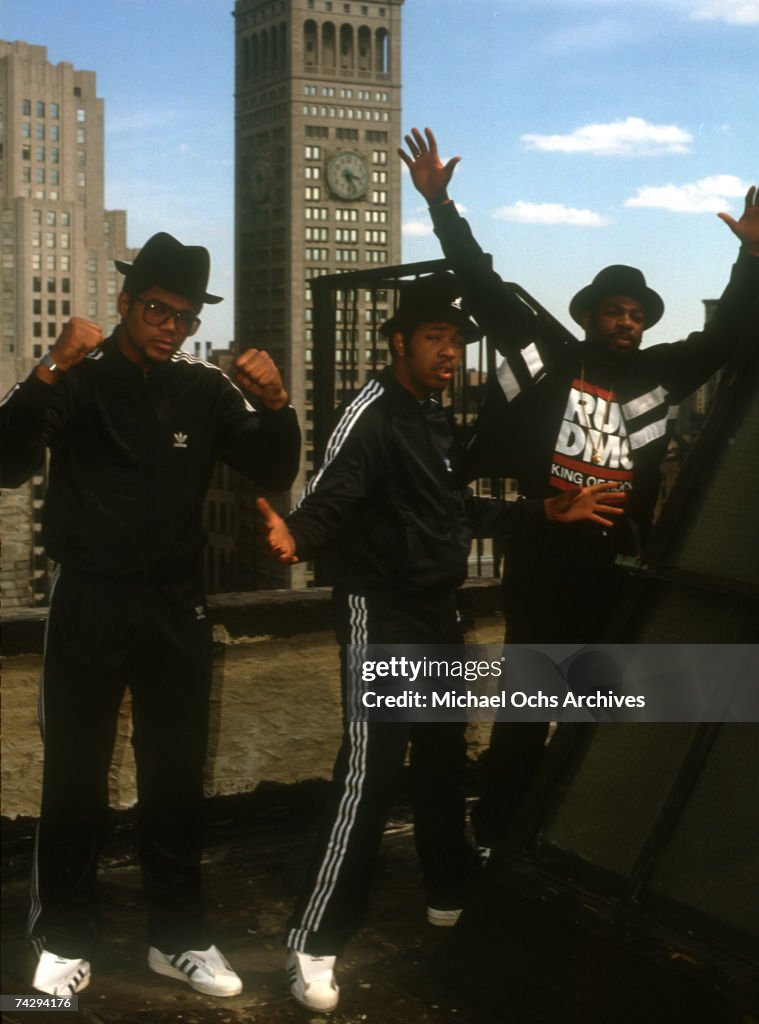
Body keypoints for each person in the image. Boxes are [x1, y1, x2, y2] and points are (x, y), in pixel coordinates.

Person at [256, 271, 627, 1013]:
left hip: (434, 609)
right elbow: (332, 492)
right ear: (399, 342)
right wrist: (297, 533)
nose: (450, 353)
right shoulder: (371, 411)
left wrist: (544, 511)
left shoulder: (431, 415)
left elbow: (451, 509)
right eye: (435, 339)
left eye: (457, 342)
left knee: (439, 755)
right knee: (370, 770)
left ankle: (449, 889)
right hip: (381, 608)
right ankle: (314, 939)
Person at [399, 127, 759, 854]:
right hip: (543, 563)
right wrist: (442, 207)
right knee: (530, 709)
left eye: (635, 315)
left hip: (615, 569)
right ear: (588, 316)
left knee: (598, 713)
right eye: (613, 312)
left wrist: (749, 256)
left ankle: (571, 839)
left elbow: (724, 337)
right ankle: (498, 834)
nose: (625, 324)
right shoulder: (549, 361)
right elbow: (485, 288)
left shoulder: (658, 376)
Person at [0, 232, 301, 998]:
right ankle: (63, 939)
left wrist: (276, 406)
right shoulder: (78, 379)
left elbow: (270, 467)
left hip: (175, 601)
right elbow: (2, 463)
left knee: (175, 776)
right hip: (89, 597)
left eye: (184, 316)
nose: (170, 326)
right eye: (158, 310)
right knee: (75, 774)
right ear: (128, 304)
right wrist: (48, 367)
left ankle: (179, 937)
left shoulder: (202, 390)